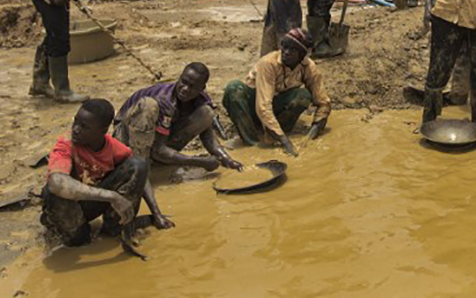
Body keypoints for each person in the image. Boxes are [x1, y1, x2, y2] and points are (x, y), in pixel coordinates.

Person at [41, 99, 168, 246]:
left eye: (84, 126)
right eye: (76, 122)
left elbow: (141, 175)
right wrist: (112, 197)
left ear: (102, 131)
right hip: (65, 209)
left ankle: (116, 226)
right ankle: (74, 233)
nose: (75, 129)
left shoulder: (114, 148)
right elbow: (56, 183)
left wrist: (157, 214)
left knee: (138, 164)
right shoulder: (67, 143)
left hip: (89, 203)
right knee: (78, 240)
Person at [114, 62, 243, 173]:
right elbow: (158, 150)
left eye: (192, 86)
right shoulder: (165, 100)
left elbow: (208, 136)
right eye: (183, 82)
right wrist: (198, 162)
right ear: (179, 78)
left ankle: (159, 162)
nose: (185, 89)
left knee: (206, 113)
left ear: (201, 89)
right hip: (126, 138)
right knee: (149, 106)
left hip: (156, 138)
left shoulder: (200, 100)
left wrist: (227, 160)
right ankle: (139, 166)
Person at [222, 28, 331, 157]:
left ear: (302, 55)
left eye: (292, 50)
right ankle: (251, 142)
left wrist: (311, 135)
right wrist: (285, 142)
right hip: (254, 105)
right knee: (234, 89)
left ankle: (275, 134)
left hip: (276, 106)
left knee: (303, 96)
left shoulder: (308, 67)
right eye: (285, 46)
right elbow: (263, 107)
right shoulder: (268, 63)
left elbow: (323, 102)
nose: (286, 52)